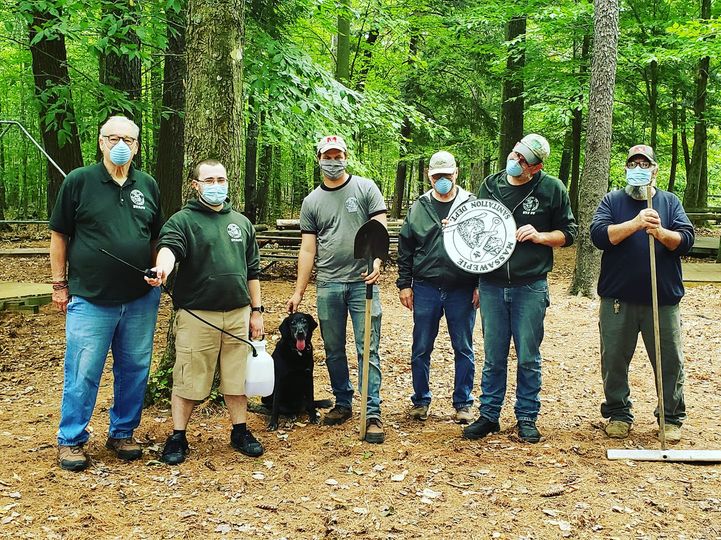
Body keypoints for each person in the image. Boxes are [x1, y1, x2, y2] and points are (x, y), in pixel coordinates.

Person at [49, 115, 162, 471]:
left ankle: (123, 432)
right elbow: (59, 235)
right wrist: (59, 284)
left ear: (137, 146)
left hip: (140, 298)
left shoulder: (147, 185)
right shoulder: (79, 181)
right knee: (83, 370)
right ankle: (71, 438)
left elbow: (156, 237)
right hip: (90, 298)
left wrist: (158, 270)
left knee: (135, 368)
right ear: (101, 142)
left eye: (129, 139)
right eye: (114, 138)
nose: (121, 145)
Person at [147, 159, 265, 464]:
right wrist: (162, 269)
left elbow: (252, 270)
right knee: (188, 378)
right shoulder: (183, 221)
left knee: (237, 378)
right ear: (195, 185)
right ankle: (178, 436)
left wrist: (257, 311)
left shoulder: (241, 223)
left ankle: (240, 430)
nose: (216, 186)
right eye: (209, 180)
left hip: (238, 314)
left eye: (221, 180)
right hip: (197, 315)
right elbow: (169, 249)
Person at [463, 133, 577, 443]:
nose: (515, 161)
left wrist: (541, 236)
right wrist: (456, 231)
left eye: (524, 160)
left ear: (536, 167)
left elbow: (569, 233)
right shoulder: (491, 185)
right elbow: (475, 225)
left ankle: (527, 416)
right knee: (493, 355)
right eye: (515, 154)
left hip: (530, 284)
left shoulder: (552, 188)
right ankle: (489, 415)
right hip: (492, 284)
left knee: (528, 355)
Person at [286, 135, 388, 443]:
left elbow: (379, 229)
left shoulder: (365, 189)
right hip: (328, 283)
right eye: (328, 156)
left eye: (338, 155)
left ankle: (371, 412)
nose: (333, 161)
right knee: (333, 349)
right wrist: (299, 291)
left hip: (362, 282)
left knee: (367, 347)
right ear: (319, 159)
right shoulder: (312, 202)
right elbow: (308, 249)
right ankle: (343, 401)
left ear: (346, 156)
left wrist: (378, 261)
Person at [590, 145, 693, 443]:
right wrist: (635, 224)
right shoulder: (612, 200)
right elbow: (599, 236)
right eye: (633, 163)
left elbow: (686, 240)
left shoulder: (669, 202)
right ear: (626, 168)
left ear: (654, 169)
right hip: (618, 300)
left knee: (669, 361)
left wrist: (660, 233)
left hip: (662, 300)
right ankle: (618, 414)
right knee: (614, 360)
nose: (639, 168)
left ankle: (670, 417)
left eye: (644, 164)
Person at [397, 150, 479, 424]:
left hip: (461, 287)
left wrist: (479, 284)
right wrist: (404, 284)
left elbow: (484, 247)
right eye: (436, 176)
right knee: (421, 346)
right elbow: (406, 248)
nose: (442, 180)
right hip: (426, 286)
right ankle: (420, 400)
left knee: (463, 347)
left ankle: (463, 403)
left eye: (447, 175)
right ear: (428, 176)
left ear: (456, 173)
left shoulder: (471, 204)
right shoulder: (419, 207)